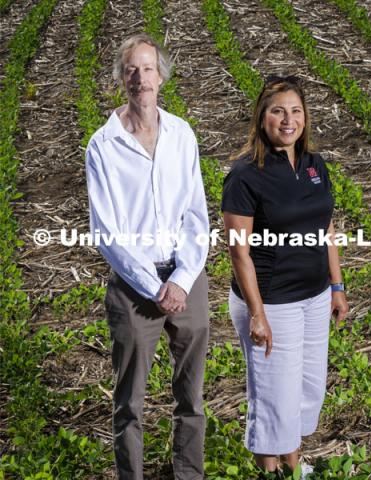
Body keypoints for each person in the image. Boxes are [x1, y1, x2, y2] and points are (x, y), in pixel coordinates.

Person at [85, 33, 209, 480]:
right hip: (135, 290)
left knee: (191, 396)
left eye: (148, 69)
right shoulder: (103, 145)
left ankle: (188, 474)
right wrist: (155, 286)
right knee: (129, 403)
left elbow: (196, 214)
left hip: (186, 279)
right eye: (132, 70)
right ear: (122, 78)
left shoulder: (181, 134)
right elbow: (108, 233)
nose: (141, 78)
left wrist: (181, 278)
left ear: (161, 77)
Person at [221, 75, 349, 479]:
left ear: (305, 118)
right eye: (278, 111)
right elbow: (238, 249)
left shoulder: (315, 166)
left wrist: (337, 285)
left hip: (313, 296)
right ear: (262, 119)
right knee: (275, 392)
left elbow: (326, 229)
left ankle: (292, 463)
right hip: (272, 300)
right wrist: (257, 313)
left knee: (307, 388)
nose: (288, 119)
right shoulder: (245, 175)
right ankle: (271, 470)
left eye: (295, 111)